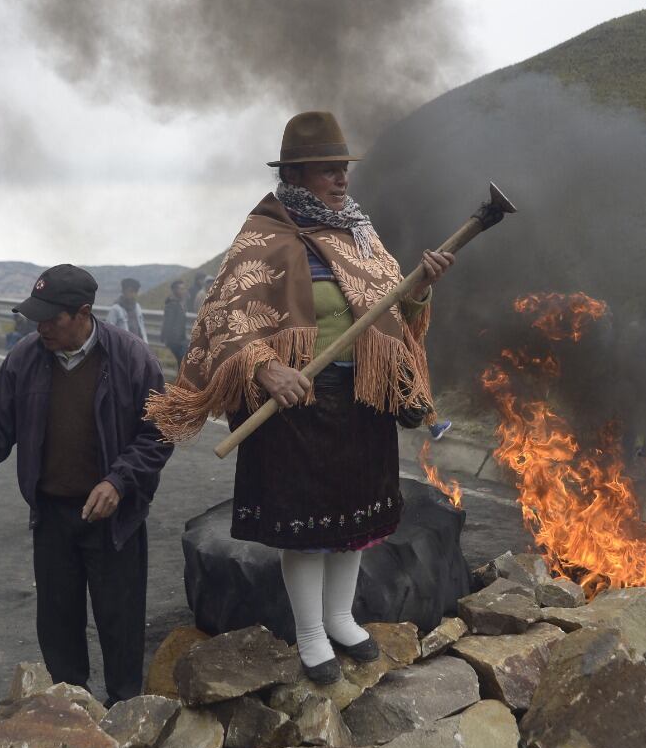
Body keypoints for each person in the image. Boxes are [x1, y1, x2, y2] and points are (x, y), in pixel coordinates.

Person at [145, 112, 453, 684]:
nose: (342, 180)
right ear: (296, 172)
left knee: (357, 513)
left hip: (361, 397)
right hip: (294, 405)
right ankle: (311, 631)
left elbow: (392, 317)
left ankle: (340, 617)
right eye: (328, 170)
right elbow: (226, 319)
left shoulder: (359, 232)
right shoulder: (264, 236)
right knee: (308, 526)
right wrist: (265, 369)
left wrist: (420, 290)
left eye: (343, 169)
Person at [0, 264, 173, 704]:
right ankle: (71, 713)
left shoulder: (132, 359)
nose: (39, 327)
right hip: (53, 517)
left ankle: (125, 715)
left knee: (120, 623)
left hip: (115, 520)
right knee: (58, 625)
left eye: (50, 318)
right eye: (34, 316)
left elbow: (159, 434)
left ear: (82, 313)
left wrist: (119, 480)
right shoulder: (25, 358)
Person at [107, 277, 148, 343]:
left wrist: (145, 344)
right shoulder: (115, 309)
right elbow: (109, 331)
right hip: (123, 347)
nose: (133, 294)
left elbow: (141, 328)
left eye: (135, 292)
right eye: (131, 291)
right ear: (123, 291)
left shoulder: (137, 307)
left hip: (137, 346)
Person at [161, 279, 189, 369]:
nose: (183, 291)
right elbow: (167, 323)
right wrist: (165, 338)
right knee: (183, 363)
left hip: (180, 340)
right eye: (180, 289)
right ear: (174, 290)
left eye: (183, 289)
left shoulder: (180, 303)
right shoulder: (171, 305)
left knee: (182, 363)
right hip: (175, 341)